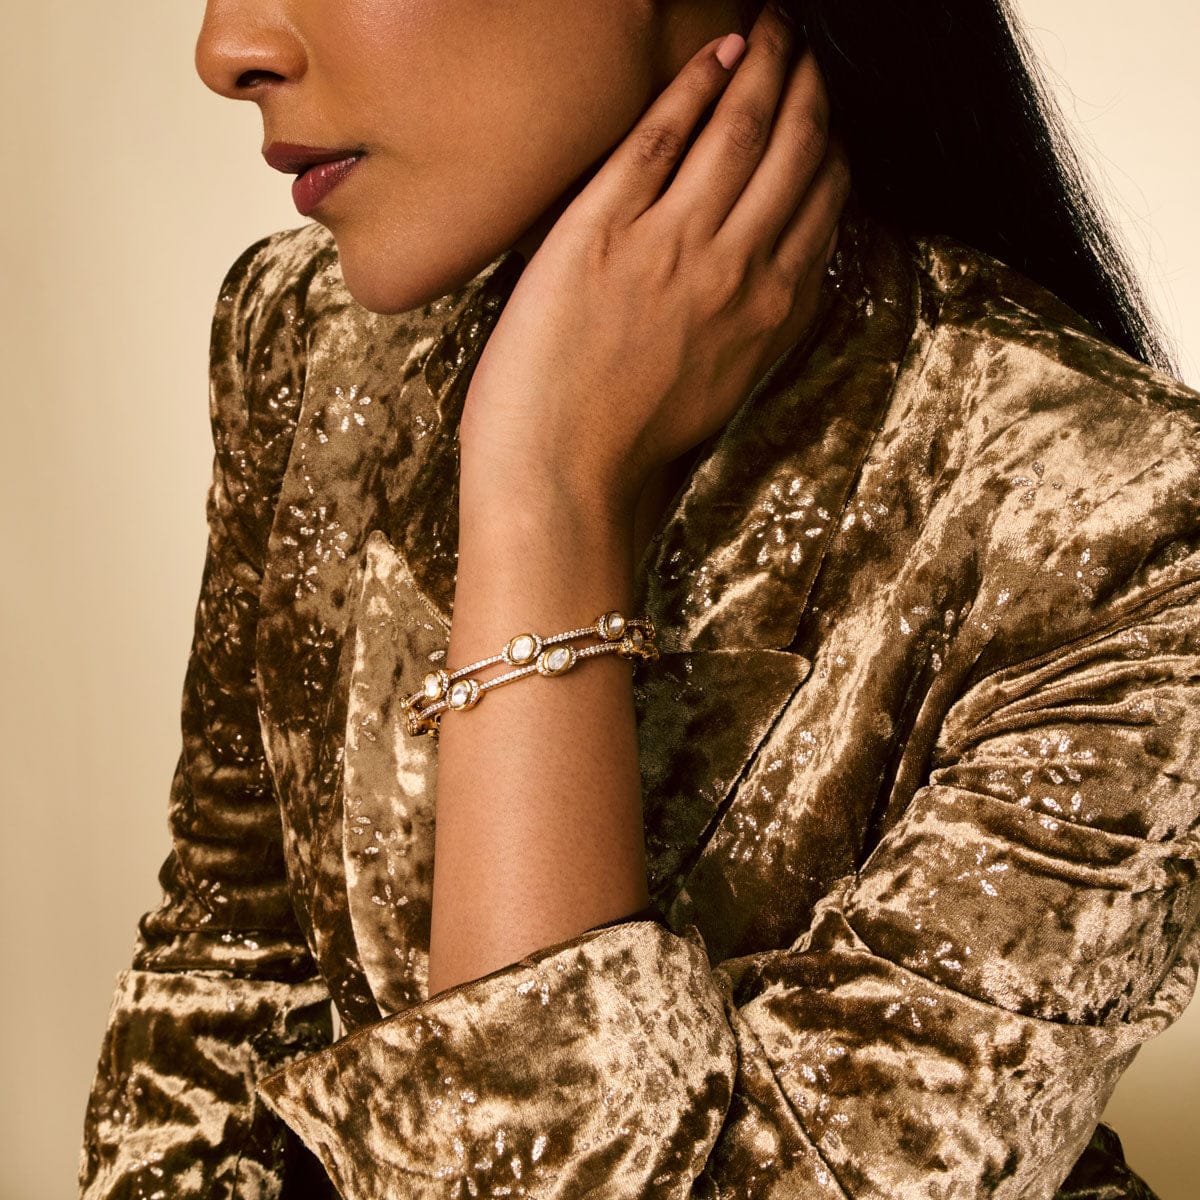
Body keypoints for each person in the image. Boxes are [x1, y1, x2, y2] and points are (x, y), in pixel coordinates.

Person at [78, 1, 1199, 1197]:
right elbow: (224, 997)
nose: (226, 51)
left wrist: (545, 495)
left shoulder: (1123, 525)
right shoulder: (306, 342)